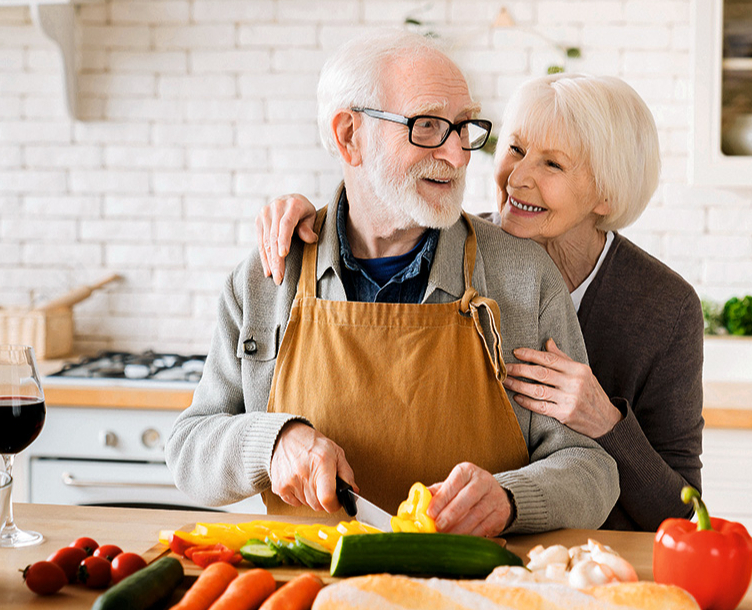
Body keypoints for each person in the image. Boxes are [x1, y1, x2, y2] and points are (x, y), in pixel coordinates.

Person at [166, 31, 620, 538]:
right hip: (313, 579)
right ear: (349, 136)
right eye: (428, 126)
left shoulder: (524, 277)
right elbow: (188, 449)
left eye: (463, 127)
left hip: (476, 580)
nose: (458, 156)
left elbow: (591, 469)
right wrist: (272, 444)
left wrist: (511, 499)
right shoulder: (267, 277)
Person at [255, 73, 704, 532]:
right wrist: (310, 217)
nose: (518, 178)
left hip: (601, 554)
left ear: (606, 193)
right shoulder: (449, 245)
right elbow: (374, 207)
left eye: (552, 164)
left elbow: (680, 509)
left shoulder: (667, 308)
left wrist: (606, 421)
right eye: (516, 149)